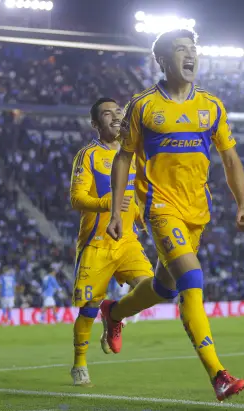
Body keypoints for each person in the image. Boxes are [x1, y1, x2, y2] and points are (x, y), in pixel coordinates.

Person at [102, 29, 244, 401]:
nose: (190, 55)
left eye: (193, 50)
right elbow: (124, 157)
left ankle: (114, 311)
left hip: (196, 212)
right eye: (180, 50)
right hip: (160, 208)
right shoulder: (143, 107)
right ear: (163, 61)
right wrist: (117, 209)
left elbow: (230, 157)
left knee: (164, 287)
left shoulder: (211, 107)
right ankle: (218, 374)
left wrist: (243, 204)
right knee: (192, 280)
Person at [69, 98, 154, 386]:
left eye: (119, 111)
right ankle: (80, 363)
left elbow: (140, 192)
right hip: (97, 242)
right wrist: (109, 202)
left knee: (153, 288)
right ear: (95, 124)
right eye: (107, 114)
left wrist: (142, 216)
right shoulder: (88, 155)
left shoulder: (134, 153)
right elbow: (76, 198)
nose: (115, 117)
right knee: (88, 306)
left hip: (127, 241)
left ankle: (114, 314)